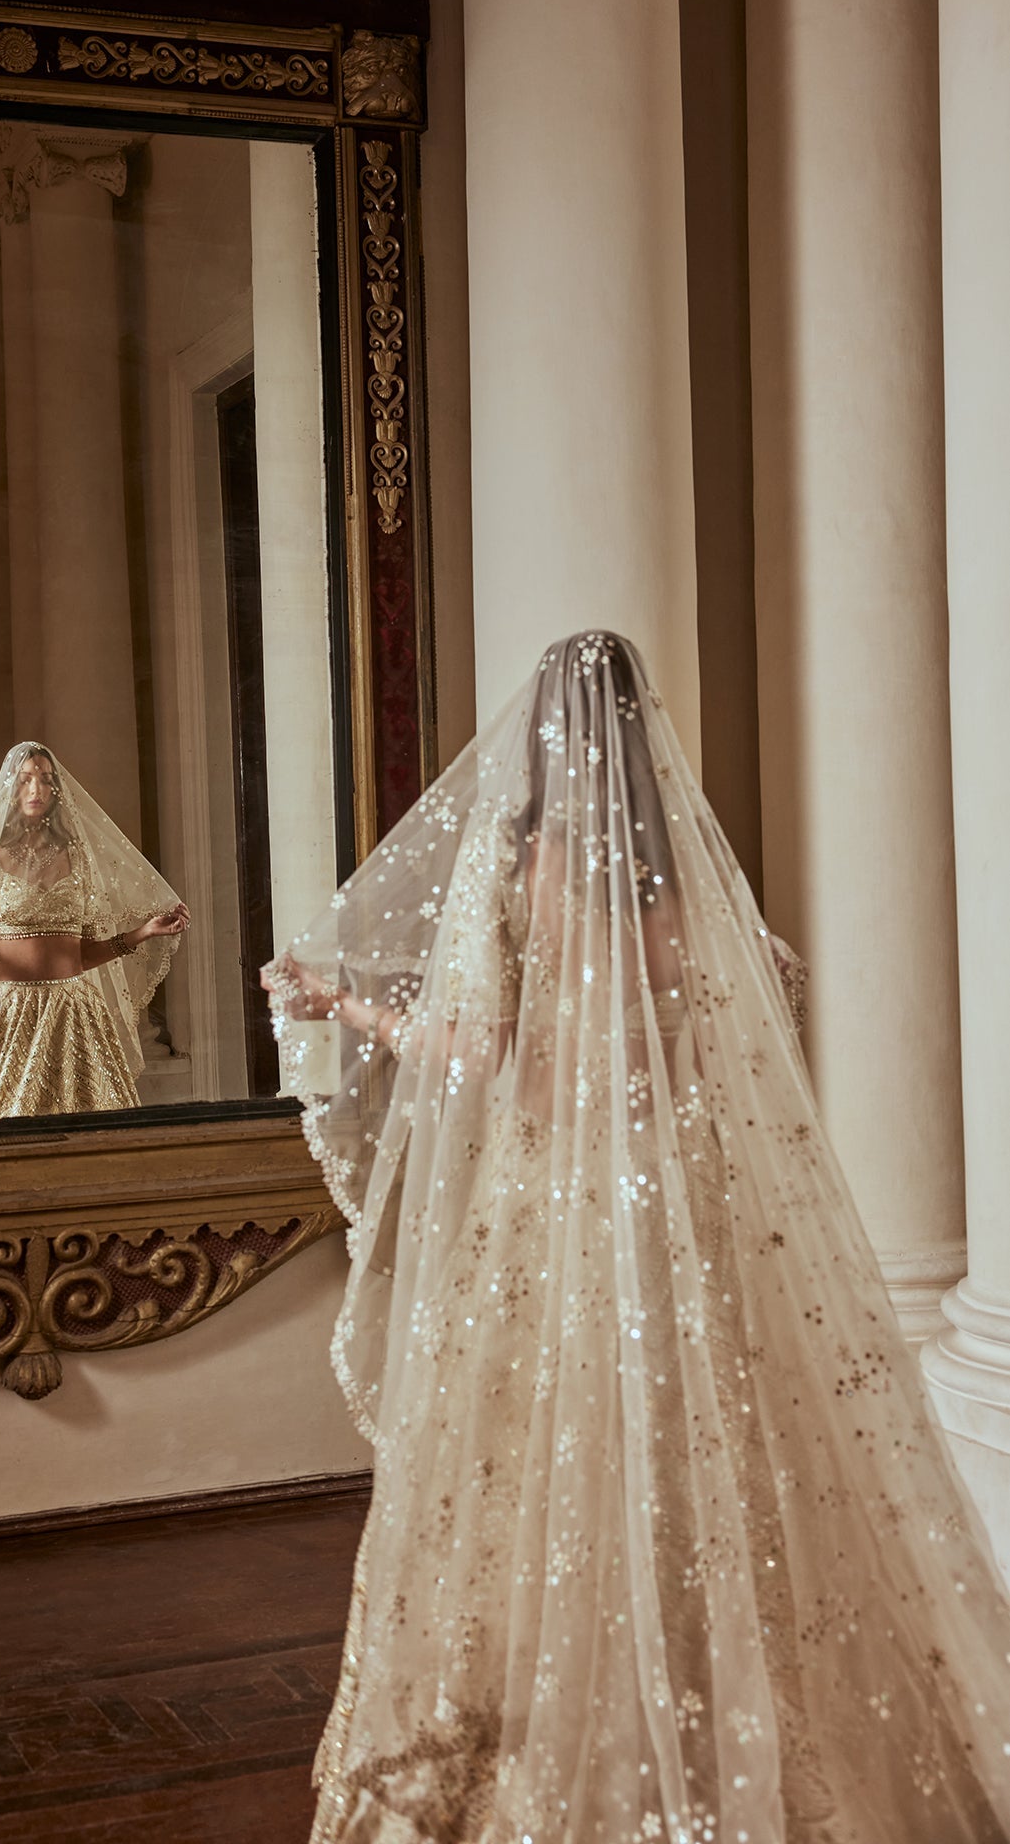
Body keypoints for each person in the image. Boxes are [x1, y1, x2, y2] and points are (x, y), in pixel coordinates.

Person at [263, 632, 1010, 1844]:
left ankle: (577, 1717)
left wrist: (346, 1005)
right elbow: (768, 1006)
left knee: (547, 1461)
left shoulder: (526, 870)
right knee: (704, 1449)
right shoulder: (682, 876)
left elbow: (479, 1053)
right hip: (676, 1200)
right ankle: (720, 1710)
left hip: (550, 1207)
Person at [0, 743, 187, 1125]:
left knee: (92, 1128)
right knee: (8, 1129)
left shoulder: (77, 857)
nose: (36, 789)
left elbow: (82, 956)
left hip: (76, 1011)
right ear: (10, 789)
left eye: (46, 780)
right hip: (15, 1015)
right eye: (26, 780)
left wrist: (143, 932)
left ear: (56, 790)